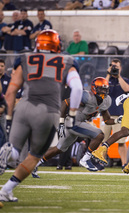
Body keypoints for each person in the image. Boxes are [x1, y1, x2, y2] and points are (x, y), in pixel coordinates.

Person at [0, 29, 83, 202]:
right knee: (34, 156)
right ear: (57, 44)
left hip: (24, 106)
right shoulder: (66, 60)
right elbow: (77, 88)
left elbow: (11, 91)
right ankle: (6, 189)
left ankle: (6, 154)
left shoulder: (25, 58)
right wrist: (73, 115)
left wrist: (8, 118)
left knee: (14, 150)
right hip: (48, 111)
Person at [33, 77, 123, 175]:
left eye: (105, 89)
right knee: (99, 135)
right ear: (94, 88)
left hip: (78, 124)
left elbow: (107, 120)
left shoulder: (106, 101)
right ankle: (85, 159)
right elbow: (65, 103)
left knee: (59, 149)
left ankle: (34, 164)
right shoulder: (86, 96)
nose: (104, 91)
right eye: (101, 88)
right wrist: (61, 122)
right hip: (73, 122)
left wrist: (117, 120)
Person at [100, 58, 129, 167]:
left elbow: (127, 89)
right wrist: (108, 74)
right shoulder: (106, 80)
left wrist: (119, 76)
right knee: (103, 141)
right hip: (105, 115)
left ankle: (124, 164)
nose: (114, 69)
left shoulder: (124, 80)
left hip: (119, 115)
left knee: (121, 141)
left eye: (116, 67)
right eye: (113, 66)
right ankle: (100, 163)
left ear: (120, 68)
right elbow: (101, 88)